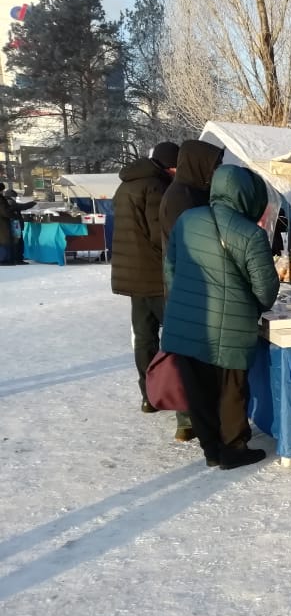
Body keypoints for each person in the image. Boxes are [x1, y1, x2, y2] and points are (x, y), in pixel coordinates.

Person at [161, 164, 279, 470]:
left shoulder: (187, 220)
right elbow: (266, 288)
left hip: (185, 323)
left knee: (198, 390)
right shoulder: (250, 233)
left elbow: (170, 268)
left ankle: (211, 449)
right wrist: (252, 308)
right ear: (249, 195)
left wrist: (184, 304)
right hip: (231, 327)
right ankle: (234, 449)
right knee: (231, 390)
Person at [157, 139, 225, 442]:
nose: (215, 173)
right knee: (191, 361)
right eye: (212, 166)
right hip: (190, 287)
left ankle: (194, 419)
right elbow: (194, 245)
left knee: (195, 361)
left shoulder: (189, 192)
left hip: (189, 286)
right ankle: (190, 421)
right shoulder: (182, 196)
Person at [110, 141, 180, 420]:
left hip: (131, 274)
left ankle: (148, 396)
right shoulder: (155, 186)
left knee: (143, 337)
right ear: (168, 166)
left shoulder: (126, 183)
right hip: (155, 275)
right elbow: (159, 235)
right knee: (174, 335)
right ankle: (175, 398)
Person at [0, 184, 36, 265]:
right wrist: (30, 204)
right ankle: (16, 259)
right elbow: (17, 208)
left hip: (12, 226)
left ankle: (15, 258)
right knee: (16, 243)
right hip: (13, 226)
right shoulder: (9, 201)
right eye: (15, 196)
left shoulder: (6, 201)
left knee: (15, 242)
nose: (15, 198)